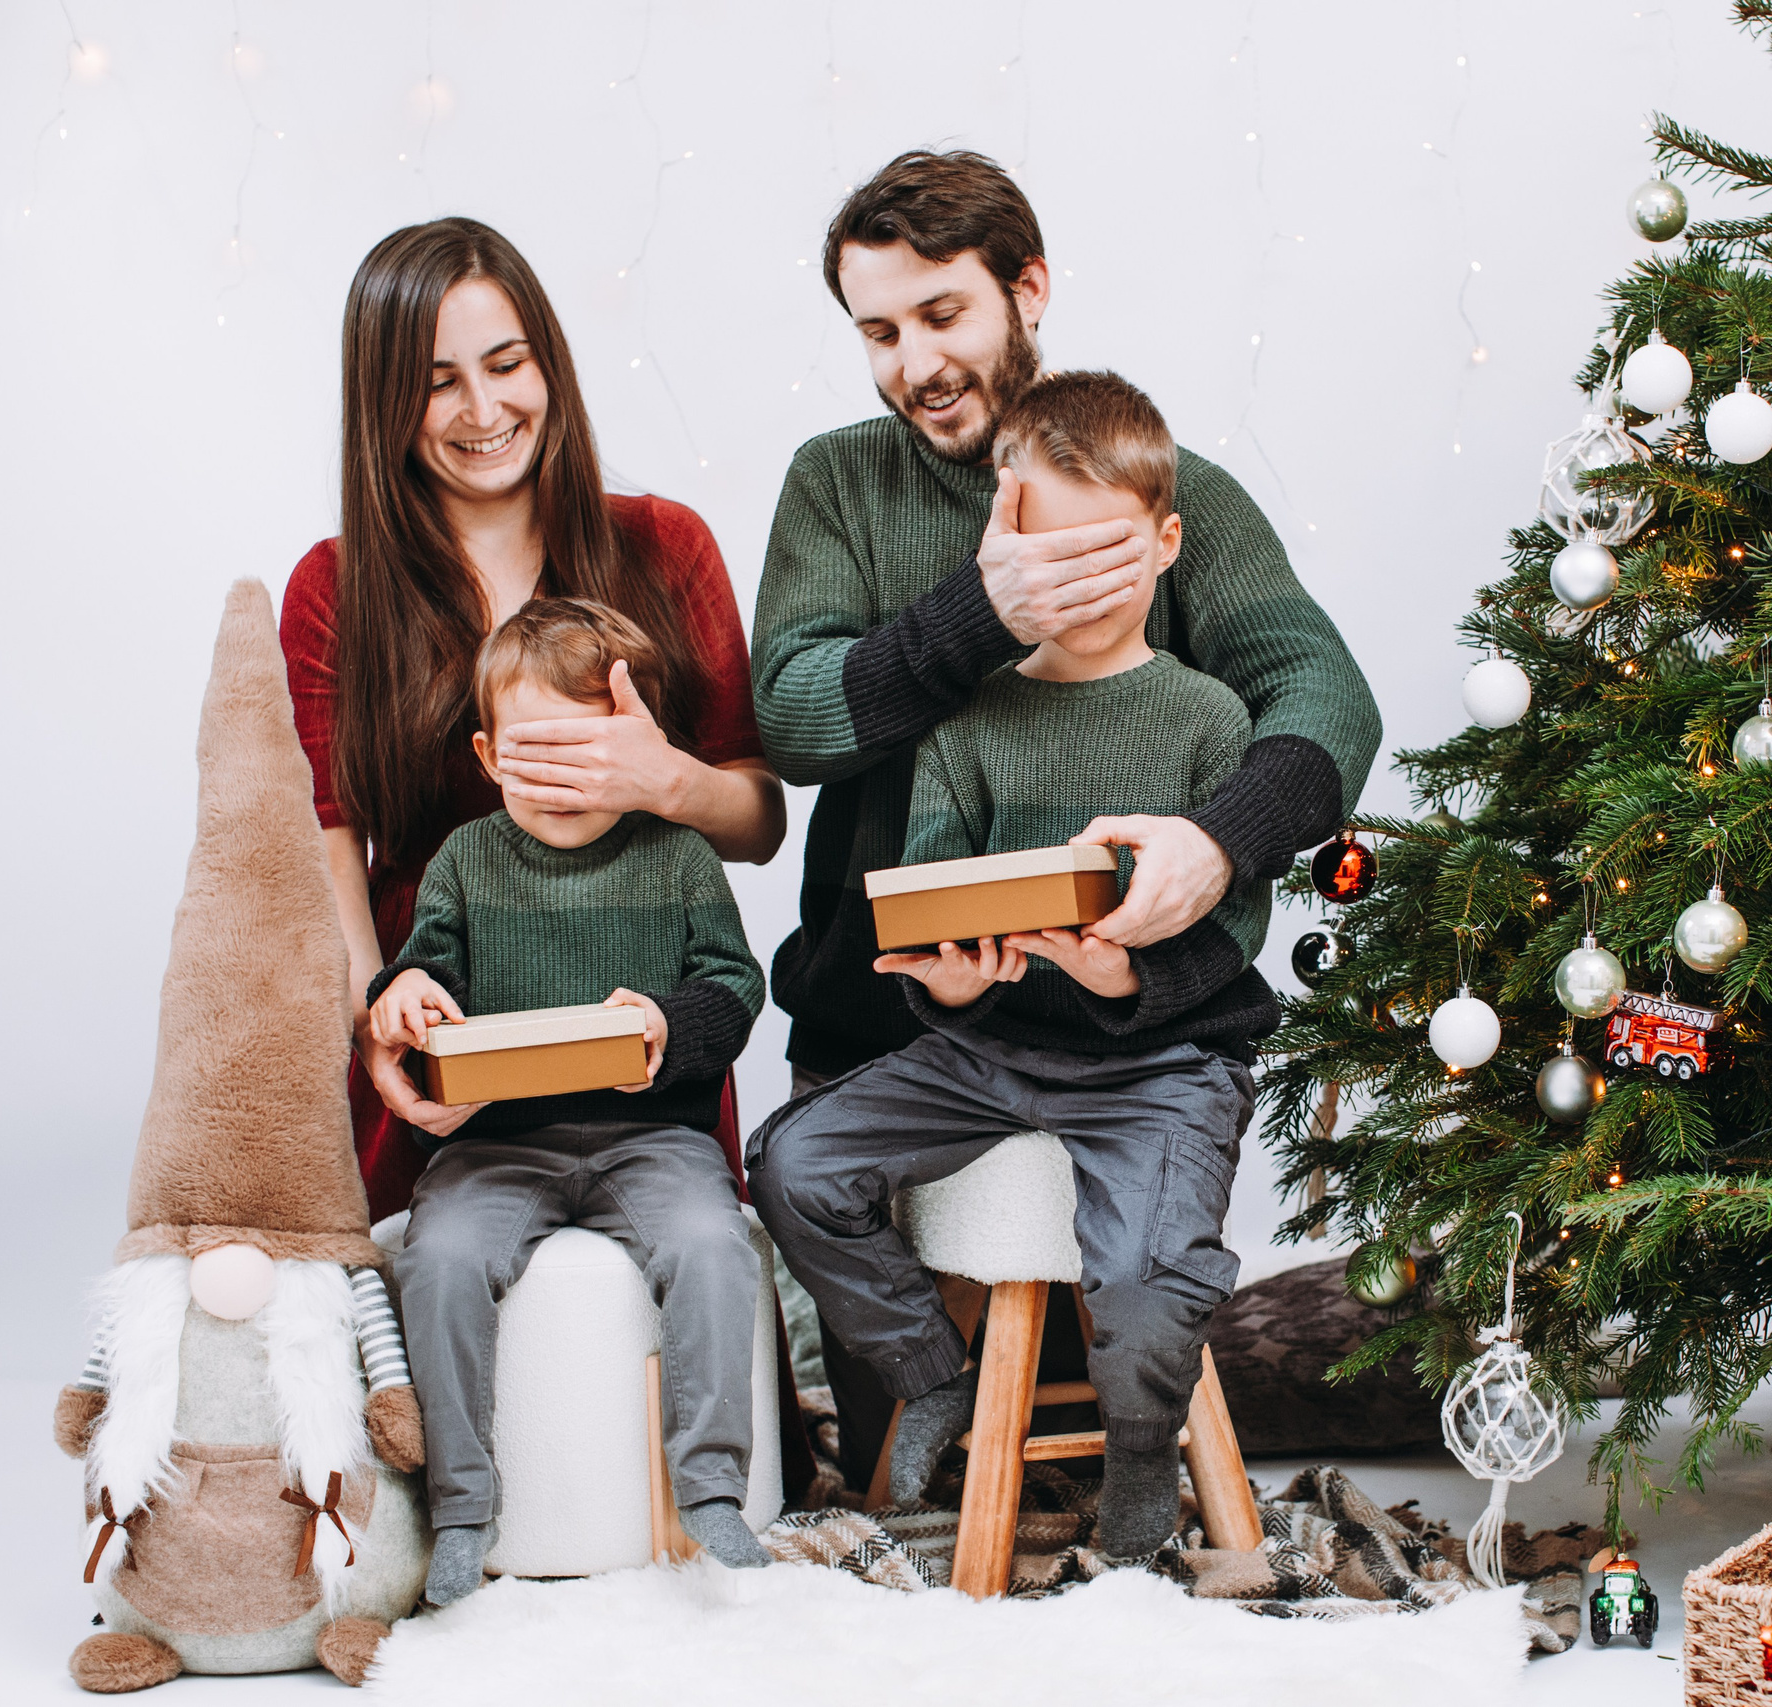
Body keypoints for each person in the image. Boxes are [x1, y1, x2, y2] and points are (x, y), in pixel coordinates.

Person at [752, 149, 1380, 1484]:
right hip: (890, 1018)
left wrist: (1220, 840)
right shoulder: (838, 485)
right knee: (912, 1470)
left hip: (1129, 1015)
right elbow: (795, 717)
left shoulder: (1163, 488)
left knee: (1074, 1450)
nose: (913, 364)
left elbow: (1324, 691)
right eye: (878, 331)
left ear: (1027, 289)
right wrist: (986, 616)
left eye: (942, 317)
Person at [752, 372, 1275, 1562]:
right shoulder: (966, 724)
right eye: (1050, 549)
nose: (1081, 582)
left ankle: (1141, 1457)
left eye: (1109, 550)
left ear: (1166, 544)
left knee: (1150, 1284)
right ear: (1000, 545)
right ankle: (931, 1374)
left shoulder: (1208, 722)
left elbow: (1230, 936)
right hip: (980, 1052)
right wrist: (947, 980)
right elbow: (927, 912)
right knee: (794, 1163)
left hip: (1158, 1067)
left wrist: (1110, 975)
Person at [282, 216, 783, 1222]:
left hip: (636, 1030)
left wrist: (663, 781)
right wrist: (376, 1013)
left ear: (545, 362)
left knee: (685, 1286)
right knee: (432, 1310)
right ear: (385, 402)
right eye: (436, 381)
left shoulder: (664, 545)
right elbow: (329, 848)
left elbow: (759, 825)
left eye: (506, 363)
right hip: (445, 1023)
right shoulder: (335, 588)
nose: (483, 408)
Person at [371, 598, 771, 1601]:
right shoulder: (463, 863)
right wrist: (404, 997)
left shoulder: (677, 856)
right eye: (528, 754)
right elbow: (425, 979)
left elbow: (734, 985)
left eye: (581, 754)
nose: (552, 781)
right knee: (444, 1256)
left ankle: (711, 1481)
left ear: (633, 748)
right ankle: (464, 1501)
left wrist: (670, 1029)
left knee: (716, 1246)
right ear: (487, 753)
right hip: (498, 1146)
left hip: (652, 1140)